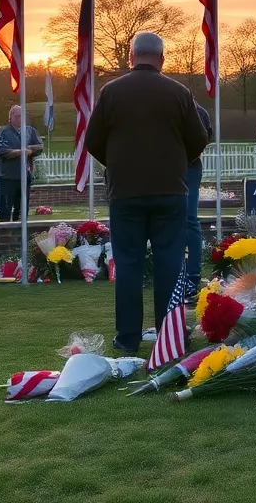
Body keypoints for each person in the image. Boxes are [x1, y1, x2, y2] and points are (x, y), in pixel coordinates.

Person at [86, 31, 208, 353]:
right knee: (170, 263)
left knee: (128, 265)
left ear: (131, 56)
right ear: (162, 58)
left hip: (125, 193)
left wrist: (117, 166)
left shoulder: (110, 92)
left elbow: (92, 141)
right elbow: (199, 140)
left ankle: (127, 338)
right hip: (170, 193)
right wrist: (176, 163)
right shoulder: (179, 92)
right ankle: (171, 338)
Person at [182, 100, 214, 298]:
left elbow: (204, 137)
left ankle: (191, 277)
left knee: (188, 219)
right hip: (165, 166)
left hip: (188, 166)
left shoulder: (196, 110)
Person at [0, 105, 43, 222]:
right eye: (16, 116)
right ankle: (4, 236)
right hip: (8, 177)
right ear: (10, 118)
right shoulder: (4, 132)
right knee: (5, 210)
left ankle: (20, 236)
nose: (19, 119)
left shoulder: (30, 131)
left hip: (25, 177)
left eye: (22, 116)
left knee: (22, 210)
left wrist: (29, 148)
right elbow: (1, 150)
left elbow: (40, 147)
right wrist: (20, 152)